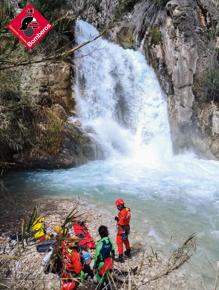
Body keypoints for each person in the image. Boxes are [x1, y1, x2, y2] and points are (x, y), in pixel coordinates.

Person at [115, 198, 131, 263]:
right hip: (127, 227)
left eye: (118, 206)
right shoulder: (127, 209)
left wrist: (117, 219)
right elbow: (125, 218)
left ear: (120, 206)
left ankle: (120, 257)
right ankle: (128, 251)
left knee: (119, 242)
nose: (117, 208)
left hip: (122, 228)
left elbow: (121, 223)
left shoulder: (122, 213)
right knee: (126, 240)